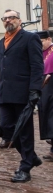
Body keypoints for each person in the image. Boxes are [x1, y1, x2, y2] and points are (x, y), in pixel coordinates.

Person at [0, 9, 44, 183]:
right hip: (4, 93)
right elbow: (0, 69)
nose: (8, 20)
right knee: (6, 126)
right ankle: (30, 156)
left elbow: (37, 66)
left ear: (19, 20)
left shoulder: (30, 38)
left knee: (24, 131)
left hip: (23, 92)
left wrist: (34, 90)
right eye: (5, 18)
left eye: (11, 17)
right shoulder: (2, 42)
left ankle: (25, 167)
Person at [37, 31, 53, 161]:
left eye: (41, 42)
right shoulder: (39, 53)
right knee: (47, 116)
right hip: (44, 90)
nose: (40, 45)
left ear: (48, 39)